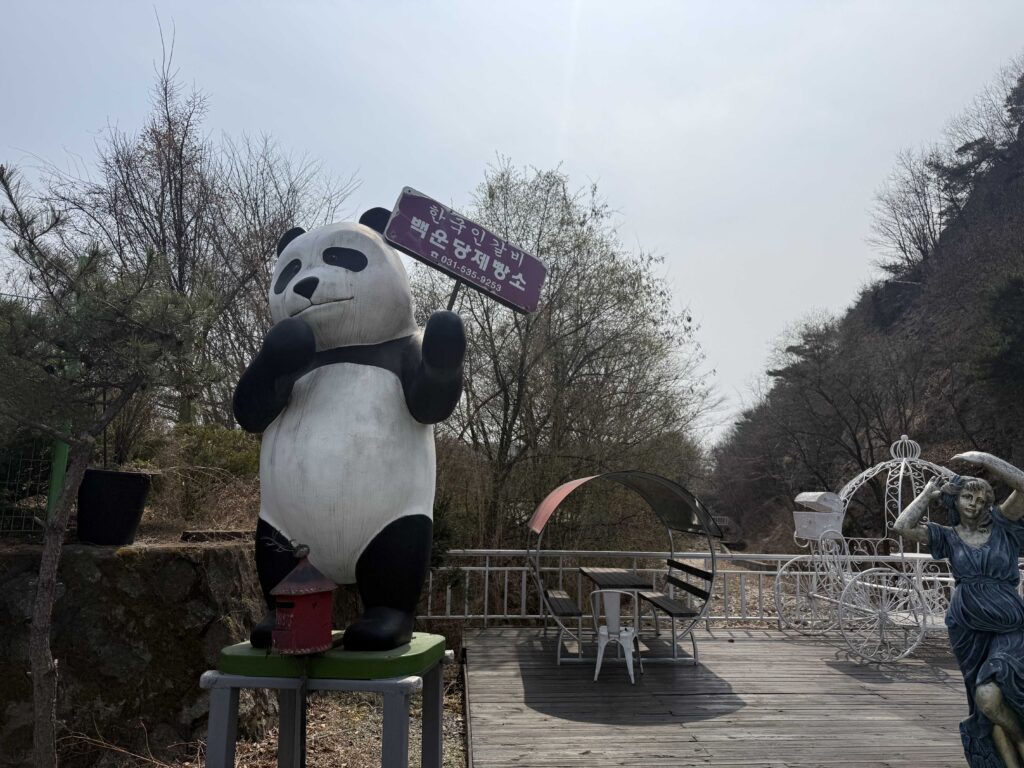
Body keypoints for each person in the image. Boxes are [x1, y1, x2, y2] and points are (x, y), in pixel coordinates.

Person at [893, 451, 1024, 767]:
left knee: (992, 695)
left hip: (1010, 630)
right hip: (968, 631)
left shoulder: (1003, 526)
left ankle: (1020, 738)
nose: (974, 504)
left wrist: (986, 460)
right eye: (967, 496)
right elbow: (902, 526)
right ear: (955, 499)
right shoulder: (948, 537)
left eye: (981, 500)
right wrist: (926, 494)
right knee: (985, 706)